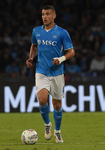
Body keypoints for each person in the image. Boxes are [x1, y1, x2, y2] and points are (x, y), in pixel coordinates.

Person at [26, 5, 75, 143]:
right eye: (43, 14)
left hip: (57, 73)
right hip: (41, 70)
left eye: (47, 14)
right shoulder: (36, 31)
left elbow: (71, 51)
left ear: (54, 16)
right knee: (42, 99)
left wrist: (60, 59)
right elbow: (34, 45)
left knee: (57, 105)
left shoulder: (61, 33)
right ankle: (47, 125)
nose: (44, 17)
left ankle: (57, 132)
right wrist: (31, 57)